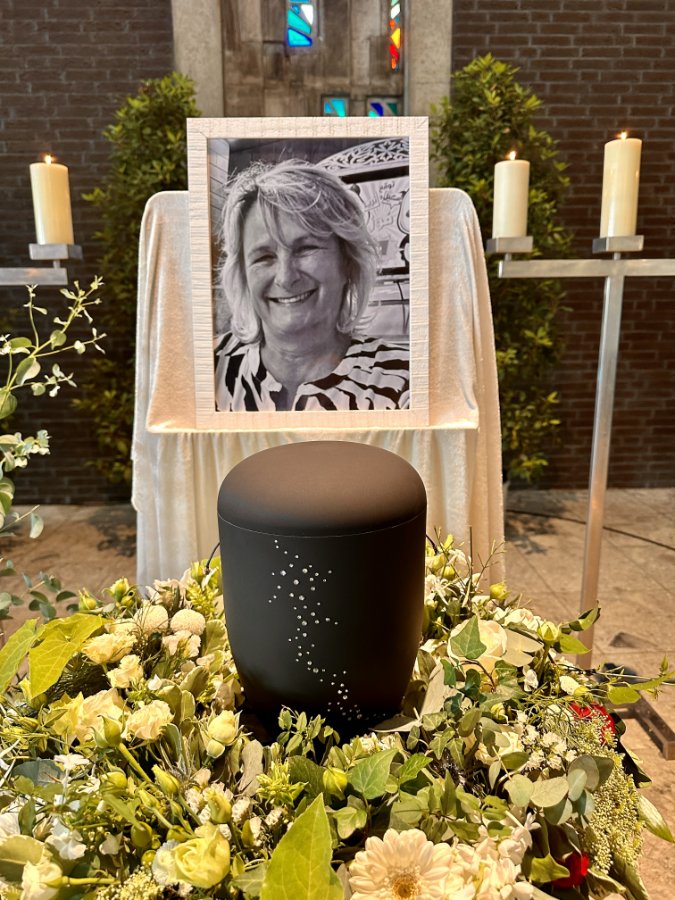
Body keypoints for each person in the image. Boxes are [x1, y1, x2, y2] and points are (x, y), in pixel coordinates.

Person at [214, 159, 410, 412]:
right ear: (242, 273)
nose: (285, 277)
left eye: (306, 248)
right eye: (264, 257)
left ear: (348, 261)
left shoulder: (403, 382)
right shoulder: (206, 369)